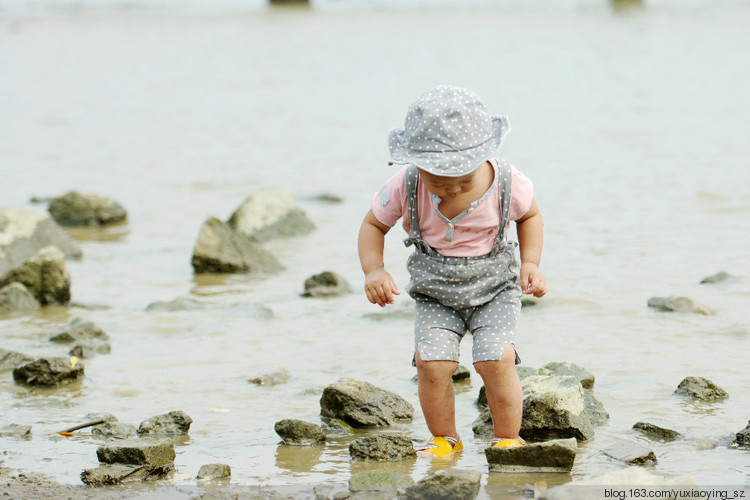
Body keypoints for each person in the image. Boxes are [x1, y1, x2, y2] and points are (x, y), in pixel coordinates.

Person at [357, 85, 547, 458]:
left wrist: (531, 263)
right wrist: (373, 270)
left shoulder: (507, 180)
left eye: (463, 179)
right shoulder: (406, 184)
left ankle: (508, 438)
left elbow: (530, 216)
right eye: (439, 182)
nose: (452, 188)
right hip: (435, 295)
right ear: (415, 165)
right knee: (432, 363)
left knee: (495, 358)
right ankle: (445, 437)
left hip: (495, 290)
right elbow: (372, 225)